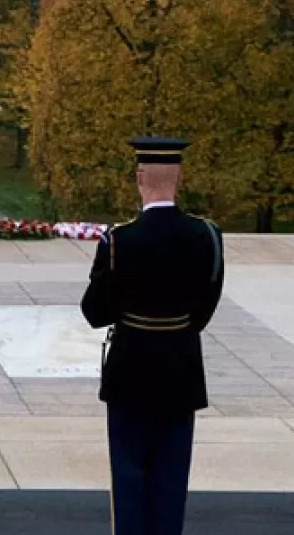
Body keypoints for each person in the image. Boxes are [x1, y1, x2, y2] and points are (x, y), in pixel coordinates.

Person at [81, 137, 224, 535]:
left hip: (131, 372)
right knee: (171, 481)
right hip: (181, 370)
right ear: (178, 178)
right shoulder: (207, 236)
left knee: (128, 482)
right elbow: (204, 308)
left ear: (139, 177)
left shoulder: (119, 242)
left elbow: (94, 312)